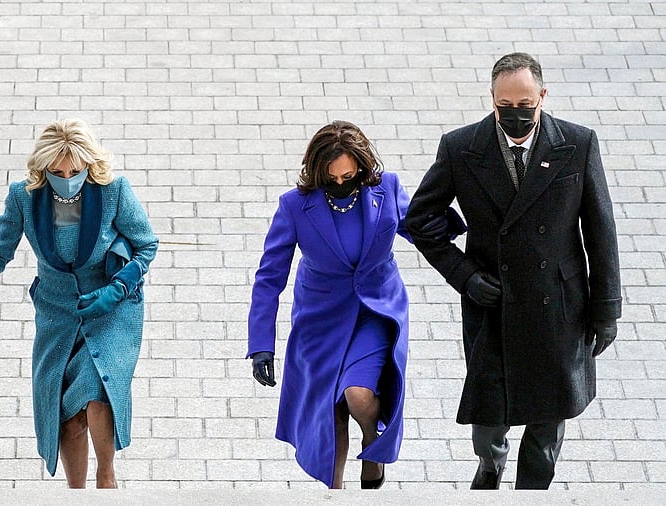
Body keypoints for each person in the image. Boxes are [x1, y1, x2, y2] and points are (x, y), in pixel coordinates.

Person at [405, 52, 622, 489]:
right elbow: (419, 221)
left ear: (542, 96)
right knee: (487, 420)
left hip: (558, 307)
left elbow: (601, 231)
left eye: (525, 104)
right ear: (492, 99)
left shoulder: (577, 144)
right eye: (505, 105)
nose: (515, 114)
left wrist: (607, 310)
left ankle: (531, 494)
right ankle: (491, 467)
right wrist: (464, 275)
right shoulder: (461, 148)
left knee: (547, 426)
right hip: (493, 303)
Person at [247, 120, 464, 489]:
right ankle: (336, 493)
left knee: (358, 396)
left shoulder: (386, 189)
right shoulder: (294, 206)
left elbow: (418, 228)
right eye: (331, 178)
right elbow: (269, 277)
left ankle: (372, 442)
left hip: (375, 312)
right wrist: (261, 345)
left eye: (348, 176)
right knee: (330, 416)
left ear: (362, 167)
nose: (340, 183)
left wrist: (452, 224)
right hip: (320, 319)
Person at [0, 119, 158, 488]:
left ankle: (106, 475)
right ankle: (75, 492)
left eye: (75, 171)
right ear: (43, 167)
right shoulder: (24, 197)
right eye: (57, 172)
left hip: (110, 309)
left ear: (89, 164)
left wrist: (117, 289)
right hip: (57, 314)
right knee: (66, 413)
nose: (67, 177)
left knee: (96, 390)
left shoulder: (113, 191)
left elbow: (146, 245)